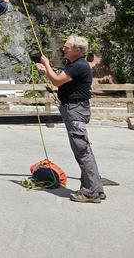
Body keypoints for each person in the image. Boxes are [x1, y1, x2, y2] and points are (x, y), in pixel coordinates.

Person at [37, 35, 104, 203]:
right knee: (84, 150)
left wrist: (46, 65)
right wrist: (47, 71)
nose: (63, 49)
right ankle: (95, 188)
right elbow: (61, 81)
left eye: (67, 47)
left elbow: (56, 82)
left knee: (82, 151)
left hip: (75, 111)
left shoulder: (78, 66)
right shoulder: (75, 65)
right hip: (75, 109)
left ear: (78, 50)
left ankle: (90, 192)